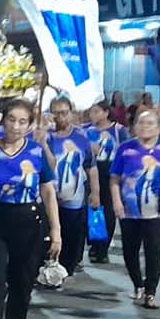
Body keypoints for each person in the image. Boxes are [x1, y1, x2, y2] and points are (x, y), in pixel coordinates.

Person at [0, 99, 62, 319]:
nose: (16, 126)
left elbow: (47, 190)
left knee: (22, 282)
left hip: (29, 221)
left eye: (22, 121)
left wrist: (56, 229)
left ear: (30, 125)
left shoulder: (36, 152)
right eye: (11, 119)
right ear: (2, 120)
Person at [111, 108, 160, 309]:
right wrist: (117, 202)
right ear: (135, 126)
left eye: (150, 123)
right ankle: (137, 284)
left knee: (154, 250)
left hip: (158, 210)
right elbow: (115, 179)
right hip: (129, 210)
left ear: (158, 127)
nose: (145, 127)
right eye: (141, 123)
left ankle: (151, 292)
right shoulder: (125, 149)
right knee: (130, 250)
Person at [43, 96, 100, 278]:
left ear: (71, 113)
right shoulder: (46, 137)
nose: (60, 117)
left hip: (74, 198)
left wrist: (95, 192)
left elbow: (91, 167)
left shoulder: (81, 137)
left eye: (64, 113)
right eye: (56, 113)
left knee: (73, 235)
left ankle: (67, 268)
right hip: (49, 196)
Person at [85, 101, 129, 264]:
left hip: (111, 174)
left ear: (105, 113)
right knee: (95, 210)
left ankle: (103, 248)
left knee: (109, 212)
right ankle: (94, 245)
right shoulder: (87, 131)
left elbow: (125, 151)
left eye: (96, 112)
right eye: (91, 112)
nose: (93, 115)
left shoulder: (118, 130)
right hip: (94, 174)